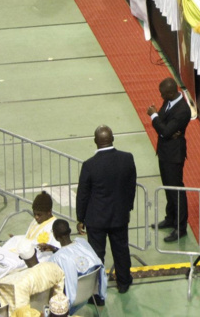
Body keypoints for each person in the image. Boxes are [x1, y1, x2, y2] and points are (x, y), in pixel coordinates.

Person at [76, 125, 137, 294]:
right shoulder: (127, 158)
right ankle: (124, 283)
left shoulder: (89, 165)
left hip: (96, 219)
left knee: (96, 254)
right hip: (119, 216)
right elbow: (131, 186)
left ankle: (97, 289)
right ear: (113, 139)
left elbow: (83, 194)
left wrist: (80, 218)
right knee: (121, 250)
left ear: (95, 141)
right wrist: (127, 207)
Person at [148, 78, 190, 242]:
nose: (161, 96)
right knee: (168, 187)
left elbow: (164, 131)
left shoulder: (182, 110)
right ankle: (170, 218)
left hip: (174, 155)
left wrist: (154, 116)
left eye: (163, 94)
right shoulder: (169, 100)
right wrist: (165, 129)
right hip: (165, 152)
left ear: (171, 93)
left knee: (176, 190)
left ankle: (181, 228)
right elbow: (165, 128)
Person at [44, 219, 107, 306]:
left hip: (72, 299)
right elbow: (73, 255)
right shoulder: (82, 242)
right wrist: (55, 249)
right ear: (70, 231)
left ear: (55, 235)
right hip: (90, 291)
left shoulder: (55, 258)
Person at [0, 242, 65, 312]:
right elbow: (59, 292)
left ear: (20, 257)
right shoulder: (53, 267)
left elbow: (22, 310)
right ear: (35, 251)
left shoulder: (20, 282)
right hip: (53, 311)